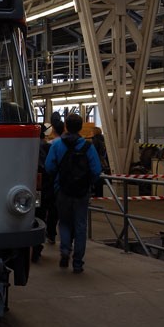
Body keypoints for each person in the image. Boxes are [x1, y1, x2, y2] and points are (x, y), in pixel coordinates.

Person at [44, 113, 102, 274]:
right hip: (82, 192)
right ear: (81, 127)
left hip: (62, 190)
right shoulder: (87, 147)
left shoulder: (56, 145)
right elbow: (97, 170)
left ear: (66, 127)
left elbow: (49, 167)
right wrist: (87, 182)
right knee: (80, 225)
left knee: (64, 222)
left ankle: (64, 251)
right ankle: (78, 263)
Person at [32, 127, 51, 263]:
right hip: (41, 188)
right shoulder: (46, 147)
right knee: (39, 215)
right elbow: (49, 167)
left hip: (27, 188)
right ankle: (36, 250)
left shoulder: (26, 145)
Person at [45, 119, 65, 244]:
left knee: (53, 209)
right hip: (75, 186)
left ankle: (51, 234)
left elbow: (49, 166)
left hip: (55, 183)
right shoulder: (79, 144)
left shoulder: (52, 144)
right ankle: (70, 241)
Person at [90, 127, 110, 197]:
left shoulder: (95, 140)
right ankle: (100, 195)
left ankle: (97, 195)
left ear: (95, 132)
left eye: (92, 131)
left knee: (96, 181)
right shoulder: (103, 140)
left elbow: (93, 152)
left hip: (96, 161)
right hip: (103, 162)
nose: (90, 133)